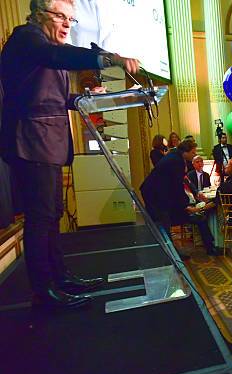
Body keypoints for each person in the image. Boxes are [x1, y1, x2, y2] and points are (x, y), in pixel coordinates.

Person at [0, 0, 139, 308]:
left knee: (52, 217)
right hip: (31, 141)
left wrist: (86, 99)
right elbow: (53, 57)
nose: (66, 24)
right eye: (60, 16)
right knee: (40, 219)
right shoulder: (28, 39)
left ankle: (60, 277)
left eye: (71, 19)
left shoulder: (48, 49)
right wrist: (108, 58)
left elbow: (57, 98)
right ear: (39, 15)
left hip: (49, 143)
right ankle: (45, 291)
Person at [141, 140, 217, 257]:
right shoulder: (176, 161)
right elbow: (176, 186)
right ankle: (171, 256)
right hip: (157, 198)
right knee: (164, 227)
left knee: (167, 226)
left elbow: (181, 181)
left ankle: (176, 254)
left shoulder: (175, 156)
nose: (193, 155)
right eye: (192, 152)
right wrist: (186, 206)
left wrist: (195, 193)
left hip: (160, 196)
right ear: (185, 151)